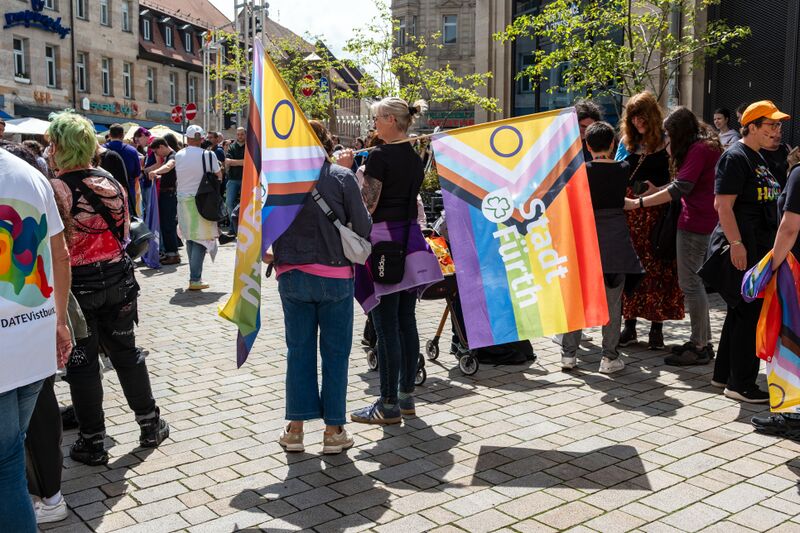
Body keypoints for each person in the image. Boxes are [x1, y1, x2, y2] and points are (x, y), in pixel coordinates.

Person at [48, 111, 169, 465]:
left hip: (78, 287)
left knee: (82, 364)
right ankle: (150, 424)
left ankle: (93, 441)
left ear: (62, 147)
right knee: (126, 353)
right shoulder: (111, 181)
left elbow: (54, 248)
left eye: (53, 144)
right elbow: (125, 232)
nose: (49, 150)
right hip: (119, 280)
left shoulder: (55, 189)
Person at [271, 120, 371, 454]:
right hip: (335, 275)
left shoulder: (280, 179)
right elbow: (363, 226)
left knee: (298, 351)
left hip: (292, 273)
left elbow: (257, 221)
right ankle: (334, 430)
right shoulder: (341, 177)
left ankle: (295, 429)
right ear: (327, 143)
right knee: (336, 353)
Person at [351, 96, 437, 425]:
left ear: (389, 119)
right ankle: (405, 397)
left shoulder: (380, 157)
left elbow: (367, 206)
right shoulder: (414, 157)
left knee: (386, 327)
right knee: (405, 321)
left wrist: (348, 175)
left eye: (376, 118)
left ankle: (387, 404)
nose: (373, 124)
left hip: (384, 244)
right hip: (409, 242)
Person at [0, 145, 72, 532]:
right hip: (32, 339)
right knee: (10, 457)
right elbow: (60, 254)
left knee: (7, 462)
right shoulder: (30, 174)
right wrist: (59, 322)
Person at [625, 107, 722, 365]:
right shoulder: (706, 146)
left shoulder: (698, 149)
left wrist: (638, 203)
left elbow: (681, 187)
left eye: (669, 133)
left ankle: (699, 346)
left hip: (695, 223)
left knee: (690, 284)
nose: (666, 138)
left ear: (679, 132)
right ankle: (702, 341)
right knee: (694, 283)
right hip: (702, 221)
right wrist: (659, 189)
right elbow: (683, 183)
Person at [710, 100, 788, 403]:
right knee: (749, 312)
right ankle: (740, 384)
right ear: (752, 127)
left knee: (739, 310)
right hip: (743, 247)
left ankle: (724, 375)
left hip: (756, 245)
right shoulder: (735, 157)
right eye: (771, 125)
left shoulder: (758, 156)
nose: (777, 131)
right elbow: (722, 205)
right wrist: (736, 244)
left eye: (778, 125)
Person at [562, 122, 643, 374]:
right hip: (616, 242)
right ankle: (609, 358)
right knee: (613, 303)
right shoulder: (624, 168)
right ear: (612, 144)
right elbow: (621, 200)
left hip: (585, 243)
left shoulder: (579, 171)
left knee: (576, 301)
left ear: (587, 146)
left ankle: (568, 355)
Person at [615, 91, 684, 349]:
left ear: (652, 115)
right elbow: (617, 172)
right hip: (630, 215)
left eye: (641, 116)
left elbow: (679, 181)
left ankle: (657, 328)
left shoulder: (667, 143)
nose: (637, 122)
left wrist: (658, 189)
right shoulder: (626, 142)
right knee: (630, 268)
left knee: (659, 270)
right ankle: (629, 326)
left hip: (658, 214)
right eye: (633, 117)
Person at [750, 157, 800, 437]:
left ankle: (793, 414)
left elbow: (790, 227)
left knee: (790, 342)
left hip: (796, 272)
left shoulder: (799, 175)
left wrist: (771, 265)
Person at [174, 124, 221, 290]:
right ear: (201, 139)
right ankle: (195, 279)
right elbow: (219, 175)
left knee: (190, 238)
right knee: (201, 240)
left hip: (183, 201)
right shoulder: (208, 155)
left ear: (187, 138)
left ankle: (194, 277)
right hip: (203, 201)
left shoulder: (179, 155)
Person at [148, 137, 180, 265]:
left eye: (156, 151)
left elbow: (168, 167)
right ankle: (170, 253)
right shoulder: (168, 156)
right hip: (166, 194)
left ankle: (173, 254)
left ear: (161, 146)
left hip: (169, 195)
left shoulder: (173, 156)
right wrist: (159, 175)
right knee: (166, 225)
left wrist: (155, 171)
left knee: (168, 225)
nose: (156, 154)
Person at [104, 123, 141, 210]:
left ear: (109, 135)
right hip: (127, 192)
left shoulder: (101, 150)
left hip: (106, 191)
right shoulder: (132, 151)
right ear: (123, 135)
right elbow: (137, 174)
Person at [222, 127, 246, 239]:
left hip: (246, 179)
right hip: (233, 179)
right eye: (238, 134)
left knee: (246, 204)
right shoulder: (232, 147)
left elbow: (248, 162)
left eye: (242, 134)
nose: (239, 136)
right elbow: (227, 161)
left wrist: (233, 162)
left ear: (245, 135)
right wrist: (242, 162)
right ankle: (234, 227)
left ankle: (244, 227)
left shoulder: (249, 147)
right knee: (229, 203)